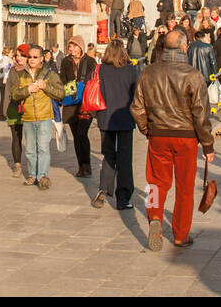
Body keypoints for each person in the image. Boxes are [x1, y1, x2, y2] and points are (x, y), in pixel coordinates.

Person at [131, 29, 215, 250]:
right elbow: (201, 113)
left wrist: (147, 129)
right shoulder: (193, 75)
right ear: (184, 47)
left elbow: (137, 108)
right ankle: (180, 234)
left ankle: (155, 217)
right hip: (186, 137)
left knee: (155, 184)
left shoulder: (147, 72)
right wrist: (207, 144)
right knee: (185, 188)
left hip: (158, 135)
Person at [91, 39, 139, 210]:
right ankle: (123, 197)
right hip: (125, 118)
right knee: (125, 159)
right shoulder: (131, 70)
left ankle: (103, 189)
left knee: (109, 156)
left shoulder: (101, 69)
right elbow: (137, 94)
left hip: (105, 117)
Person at [11, 44, 64, 189]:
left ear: (42, 58)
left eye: (35, 57)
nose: (32, 60)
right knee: (29, 149)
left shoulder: (49, 74)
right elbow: (14, 94)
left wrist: (46, 87)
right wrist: (27, 90)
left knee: (43, 148)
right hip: (28, 117)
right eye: (30, 57)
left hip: (44, 116)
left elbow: (61, 93)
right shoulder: (21, 75)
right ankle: (32, 175)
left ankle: (42, 176)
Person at [60, 37, 97, 177]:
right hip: (71, 103)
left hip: (85, 103)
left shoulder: (90, 61)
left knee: (82, 133)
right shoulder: (65, 62)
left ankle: (87, 165)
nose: (72, 49)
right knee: (76, 136)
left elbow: (94, 80)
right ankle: (81, 166)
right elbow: (62, 80)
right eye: (70, 46)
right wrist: (71, 89)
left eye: (74, 46)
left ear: (80, 47)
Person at [2, 45, 29, 178]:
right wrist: (5, 108)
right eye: (17, 55)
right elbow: (8, 89)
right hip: (14, 107)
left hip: (28, 108)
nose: (19, 58)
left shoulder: (31, 70)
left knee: (31, 137)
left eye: (22, 56)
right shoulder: (12, 70)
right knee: (16, 137)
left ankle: (33, 165)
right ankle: (17, 164)